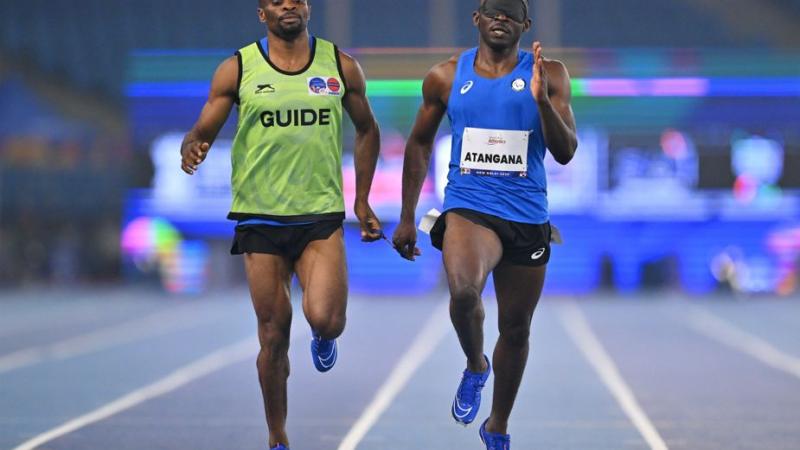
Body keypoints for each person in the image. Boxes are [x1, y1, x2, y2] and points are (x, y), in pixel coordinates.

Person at [180, 1, 382, 449]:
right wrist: (193, 145)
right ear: (262, 13)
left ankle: (324, 337)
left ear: (308, 8)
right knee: (273, 336)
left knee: (326, 320)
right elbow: (203, 129)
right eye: (276, 0)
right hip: (260, 216)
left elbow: (368, 129)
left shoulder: (340, 66)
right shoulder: (237, 69)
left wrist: (362, 198)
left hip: (319, 216)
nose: (288, 4)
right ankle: (277, 437)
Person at [392, 0, 577, 448]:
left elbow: (566, 150)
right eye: (492, 10)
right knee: (464, 293)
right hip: (469, 206)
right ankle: (476, 363)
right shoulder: (445, 76)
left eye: (511, 13)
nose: (501, 18)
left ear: (525, 25)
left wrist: (541, 104)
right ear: (476, 19)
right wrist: (404, 215)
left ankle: (497, 426)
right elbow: (418, 143)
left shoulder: (549, 74)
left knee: (516, 329)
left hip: (527, 216)